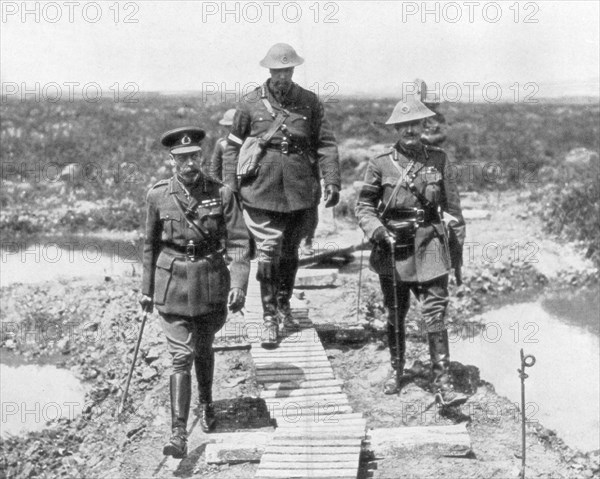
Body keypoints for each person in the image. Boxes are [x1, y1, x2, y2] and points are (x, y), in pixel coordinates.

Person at [140, 126, 250, 458]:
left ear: (201, 157)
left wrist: (239, 284)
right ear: (172, 161)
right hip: (171, 285)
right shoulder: (158, 195)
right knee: (180, 357)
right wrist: (145, 290)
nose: (189, 164)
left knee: (203, 348)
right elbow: (149, 245)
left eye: (194, 157)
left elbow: (240, 242)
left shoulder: (222, 193)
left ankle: (206, 402)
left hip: (210, 283)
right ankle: (178, 434)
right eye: (182, 158)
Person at [222, 43, 341, 347]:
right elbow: (233, 146)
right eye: (277, 71)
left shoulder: (310, 102)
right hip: (261, 190)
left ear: (293, 70)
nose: (282, 77)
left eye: (287, 71)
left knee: (290, 251)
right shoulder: (249, 104)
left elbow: (325, 145)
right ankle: (269, 317)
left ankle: (284, 302)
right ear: (269, 71)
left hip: (301, 190)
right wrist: (230, 188)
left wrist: (332, 182)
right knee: (268, 250)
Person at [354, 91, 467, 406]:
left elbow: (454, 210)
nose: (410, 130)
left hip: (430, 243)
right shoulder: (380, 164)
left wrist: (454, 255)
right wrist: (377, 231)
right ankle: (396, 368)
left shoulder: (438, 159)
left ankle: (443, 382)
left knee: (435, 311)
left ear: (424, 124)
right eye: (403, 125)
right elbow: (363, 206)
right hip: (394, 246)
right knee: (395, 313)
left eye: (415, 124)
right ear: (395, 129)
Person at [416, 79, 447, 146]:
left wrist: (433, 138)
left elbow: (443, 133)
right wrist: (422, 136)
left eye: (435, 105)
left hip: (433, 146)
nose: (432, 107)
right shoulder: (419, 116)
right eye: (430, 105)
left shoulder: (440, 118)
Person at [209, 108, 236, 180]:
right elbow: (214, 170)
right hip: (228, 185)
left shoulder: (249, 142)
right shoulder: (222, 144)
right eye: (228, 126)